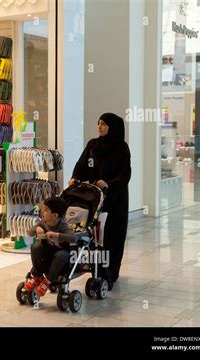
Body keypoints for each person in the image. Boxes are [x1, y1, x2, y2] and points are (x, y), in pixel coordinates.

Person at [68, 112, 131, 289]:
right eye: (98, 123)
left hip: (114, 199)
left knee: (111, 236)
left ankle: (110, 273)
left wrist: (109, 184)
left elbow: (125, 174)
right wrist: (75, 177)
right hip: (94, 199)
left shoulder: (121, 147)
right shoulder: (93, 145)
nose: (99, 127)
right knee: (93, 236)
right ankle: (95, 269)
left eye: (103, 124)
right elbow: (82, 164)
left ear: (113, 127)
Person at [24, 198, 76, 297]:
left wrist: (57, 235)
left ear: (55, 215)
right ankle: (37, 276)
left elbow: (73, 238)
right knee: (35, 247)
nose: (42, 211)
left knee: (61, 254)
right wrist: (36, 228)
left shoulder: (63, 225)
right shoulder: (43, 222)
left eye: (46, 210)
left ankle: (48, 280)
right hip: (47, 253)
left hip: (61, 254)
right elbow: (29, 232)